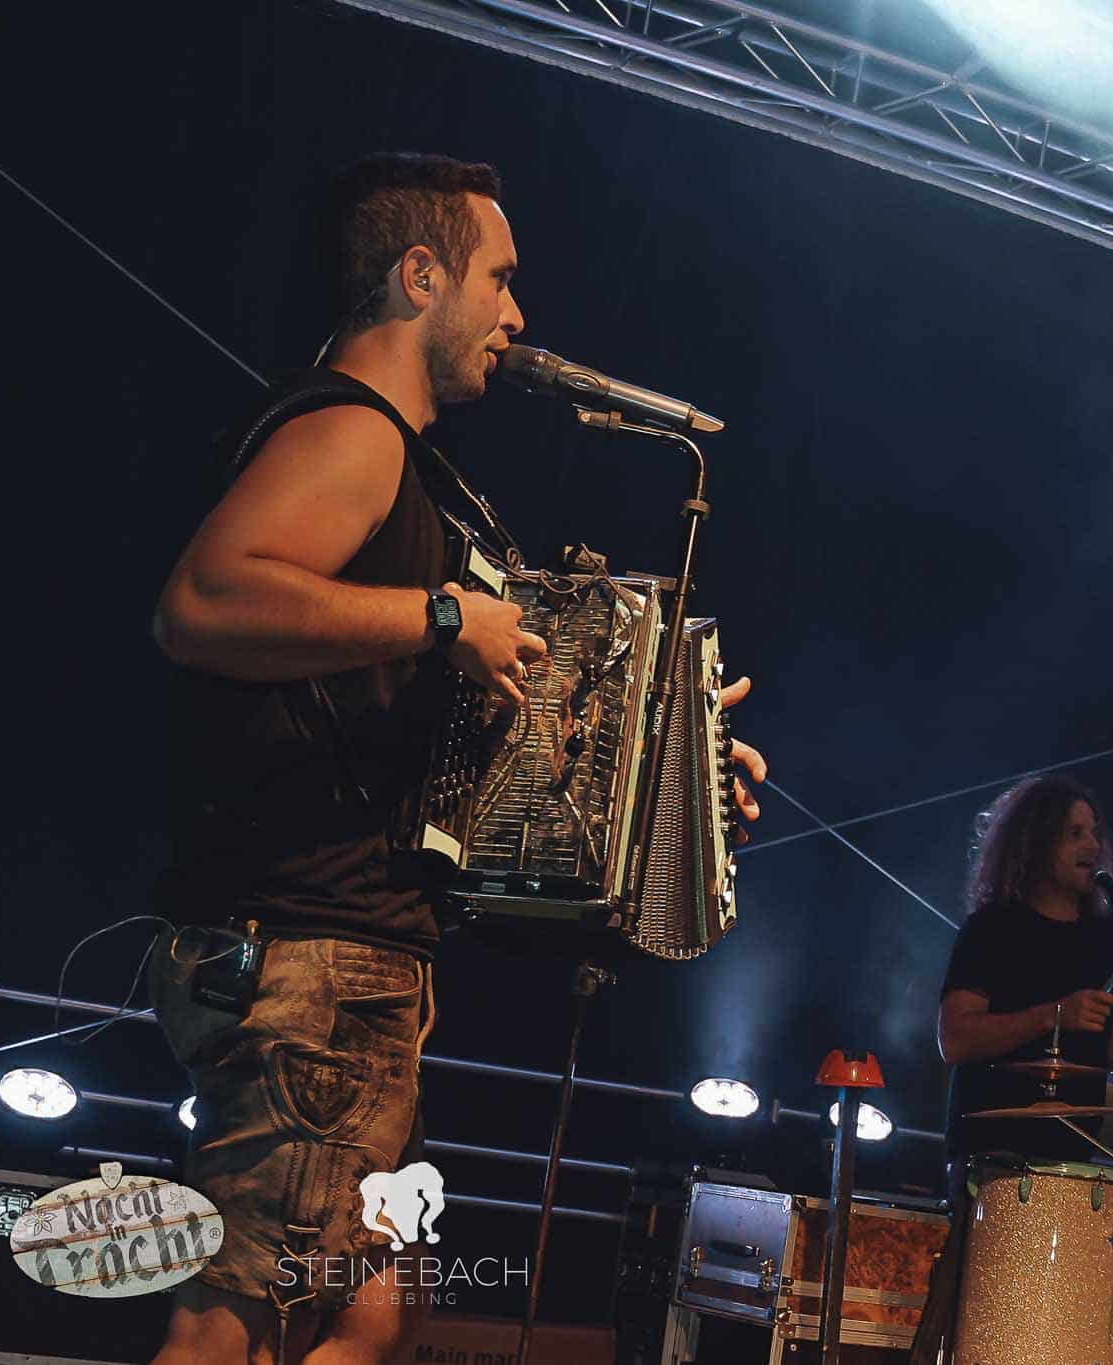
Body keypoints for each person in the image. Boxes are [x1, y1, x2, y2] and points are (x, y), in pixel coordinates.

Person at [146, 153, 767, 1365]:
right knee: (231, 1332)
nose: (516, 314)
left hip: (357, 956)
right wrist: (441, 616)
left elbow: (444, 740)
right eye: (500, 278)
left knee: (375, 1314)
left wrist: (677, 767)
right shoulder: (350, 430)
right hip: (315, 954)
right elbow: (204, 602)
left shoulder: (411, 470)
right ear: (420, 276)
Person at [910, 774, 1113, 1361]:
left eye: (1094, 833)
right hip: (993, 1161)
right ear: (1036, 842)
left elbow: (1102, 1042)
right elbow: (955, 1038)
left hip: (1073, 1161)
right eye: (1075, 834)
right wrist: (1054, 1015)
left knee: (1055, 1331)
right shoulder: (993, 930)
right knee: (979, 1325)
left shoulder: (1104, 940)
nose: (1092, 846)